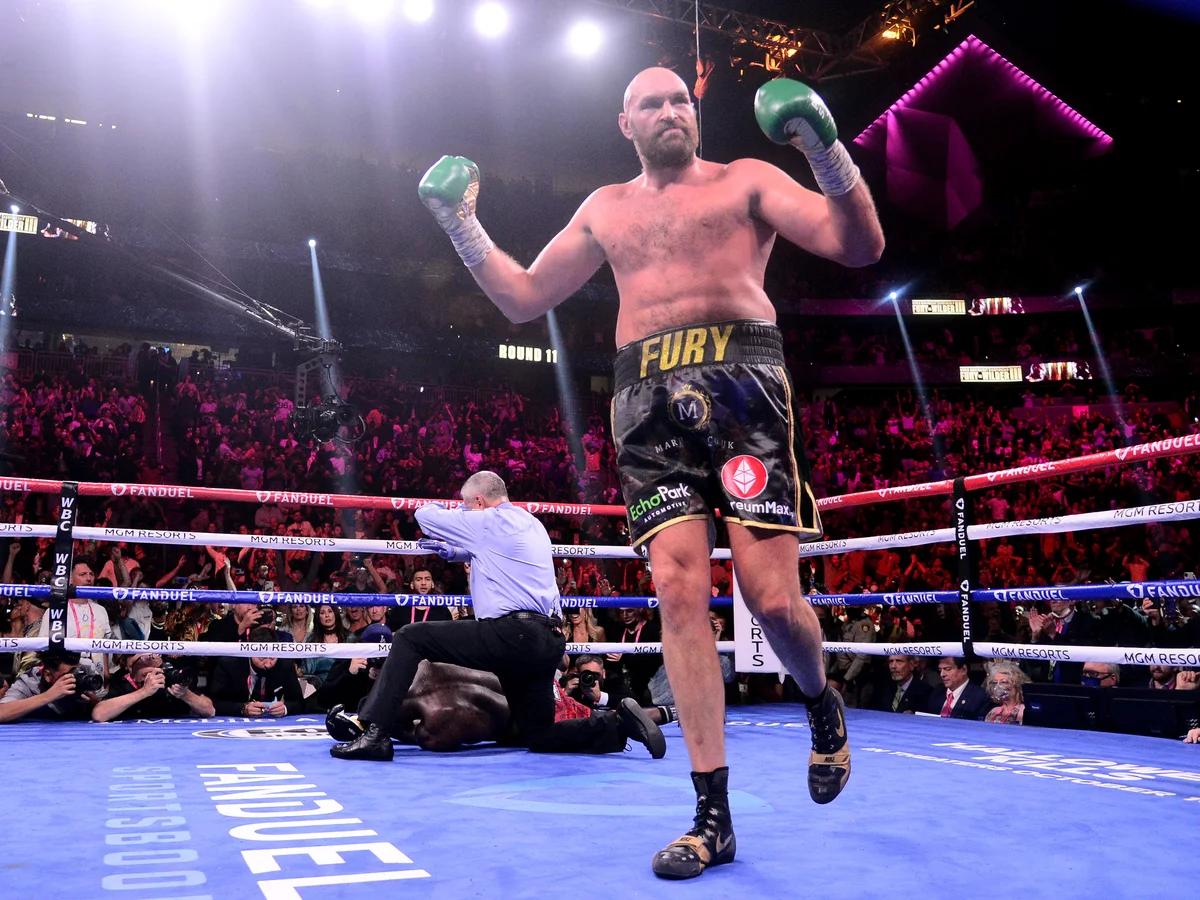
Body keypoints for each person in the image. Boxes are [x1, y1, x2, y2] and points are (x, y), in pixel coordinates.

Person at [419, 67, 883, 878]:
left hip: (743, 389)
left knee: (773, 601)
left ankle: (820, 697)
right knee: (676, 591)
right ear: (624, 123)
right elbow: (524, 298)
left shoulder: (747, 180)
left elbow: (859, 245)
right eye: (652, 103)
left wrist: (824, 148)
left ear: (695, 115)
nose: (671, 111)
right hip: (646, 402)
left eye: (681, 101)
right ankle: (712, 816)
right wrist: (461, 224)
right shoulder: (605, 207)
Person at [330, 471, 665, 761]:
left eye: (467, 506)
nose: (465, 511)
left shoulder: (488, 520)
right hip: (548, 640)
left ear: (478, 501)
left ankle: (375, 731)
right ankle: (617, 723)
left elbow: (424, 516)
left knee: (409, 637)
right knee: (538, 734)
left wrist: (452, 511)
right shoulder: (530, 523)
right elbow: (496, 554)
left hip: (512, 635)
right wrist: (457, 551)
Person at [91, 653, 214, 722]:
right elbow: (99, 714)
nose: (151, 674)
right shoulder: (124, 684)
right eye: (142, 664)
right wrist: (143, 692)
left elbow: (209, 710)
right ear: (131, 670)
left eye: (154, 662)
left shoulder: (170, 679)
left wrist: (186, 695)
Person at [0, 650, 99, 723]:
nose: (74, 676)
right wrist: (49, 695)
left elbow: (103, 706)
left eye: (76, 671)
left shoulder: (87, 670)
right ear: (48, 675)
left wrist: (94, 702)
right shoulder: (29, 681)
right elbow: (2, 712)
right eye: (69, 674)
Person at [926, 657, 993, 720]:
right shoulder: (938, 691)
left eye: (947, 669)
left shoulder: (980, 696)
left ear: (964, 670)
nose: (942, 674)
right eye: (940, 670)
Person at [982, 660, 1029, 725]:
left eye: (1003, 682)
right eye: (995, 682)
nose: (998, 686)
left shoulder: (1025, 711)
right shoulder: (993, 712)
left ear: (1017, 685)